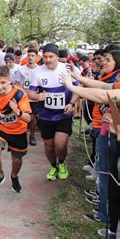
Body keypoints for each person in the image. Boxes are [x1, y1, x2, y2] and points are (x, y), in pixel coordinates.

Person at [61, 74, 119, 238]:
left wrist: (72, 87)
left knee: (110, 179)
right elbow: (103, 86)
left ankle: (109, 219)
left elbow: (103, 95)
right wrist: (75, 76)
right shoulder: (115, 83)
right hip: (110, 134)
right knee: (109, 178)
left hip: (114, 139)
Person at [28, 43, 79, 181]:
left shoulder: (68, 69)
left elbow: (77, 90)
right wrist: (38, 96)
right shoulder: (37, 71)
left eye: (51, 57)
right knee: (49, 145)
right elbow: (30, 92)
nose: (48, 60)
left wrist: (72, 103)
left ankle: (62, 163)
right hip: (45, 115)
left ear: (57, 57)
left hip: (64, 114)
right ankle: (53, 166)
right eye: (45, 57)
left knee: (60, 144)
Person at [0, 66, 31, 194]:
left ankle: (14, 177)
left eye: (3, 82)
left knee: (17, 159)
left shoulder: (20, 94)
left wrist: (17, 112)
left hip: (18, 131)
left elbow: (28, 119)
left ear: (10, 80)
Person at [14, 48, 39, 146]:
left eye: (32, 56)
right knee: (21, 117)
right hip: (23, 98)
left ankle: (32, 136)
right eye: (29, 55)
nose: (30, 57)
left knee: (33, 118)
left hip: (34, 98)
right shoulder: (21, 69)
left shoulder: (40, 69)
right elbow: (17, 83)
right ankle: (21, 134)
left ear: (36, 57)